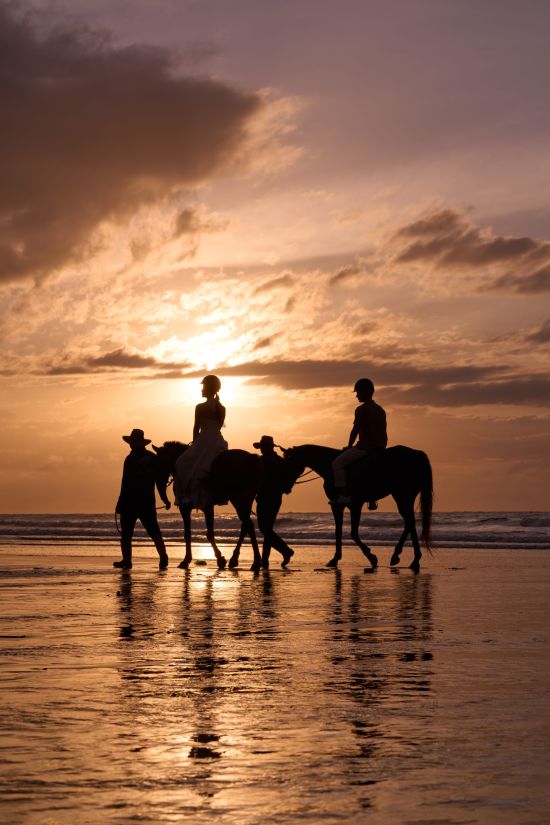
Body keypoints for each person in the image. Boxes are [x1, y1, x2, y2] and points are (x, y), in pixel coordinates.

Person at [114, 428, 171, 570]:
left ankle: (127, 561)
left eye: (132, 442)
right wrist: (165, 499)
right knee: (154, 531)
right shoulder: (153, 458)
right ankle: (163, 556)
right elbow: (159, 482)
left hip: (130, 502)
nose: (131, 445)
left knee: (127, 534)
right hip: (147, 502)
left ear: (135, 443)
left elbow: (125, 483)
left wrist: (120, 503)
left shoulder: (130, 459)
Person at [174, 375, 228, 510]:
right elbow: (219, 426)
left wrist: (194, 443)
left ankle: (186, 495)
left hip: (203, 438)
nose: (201, 390)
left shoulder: (199, 407)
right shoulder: (222, 408)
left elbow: (196, 427)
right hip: (217, 440)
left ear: (208, 388)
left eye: (203, 387)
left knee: (182, 462)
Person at [331, 378, 387, 506]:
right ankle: (372, 498)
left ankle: (344, 495)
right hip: (381, 447)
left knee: (337, 463)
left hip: (366, 447)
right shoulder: (380, 409)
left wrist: (349, 446)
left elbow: (355, 430)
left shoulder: (361, 409)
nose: (356, 395)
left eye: (358, 392)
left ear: (364, 392)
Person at [253, 435, 294, 568]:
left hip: (271, 498)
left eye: (263, 447)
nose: (261, 450)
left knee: (265, 529)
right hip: (268, 498)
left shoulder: (274, 462)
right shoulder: (272, 461)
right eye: (261, 448)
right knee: (267, 530)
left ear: (268, 448)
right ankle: (265, 560)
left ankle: (285, 550)